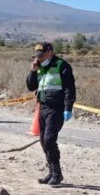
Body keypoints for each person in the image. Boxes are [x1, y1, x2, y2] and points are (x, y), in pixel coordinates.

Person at [26, 41, 75, 185]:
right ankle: (51, 172)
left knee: (49, 140)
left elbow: (69, 88)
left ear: (50, 53)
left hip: (56, 108)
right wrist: (33, 71)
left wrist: (68, 107)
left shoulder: (61, 65)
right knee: (43, 141)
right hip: (42, 107)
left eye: (41, 55)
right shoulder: (39, 67)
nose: (39, 58)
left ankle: (57, 173)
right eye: (37, 56)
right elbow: (31, 86)